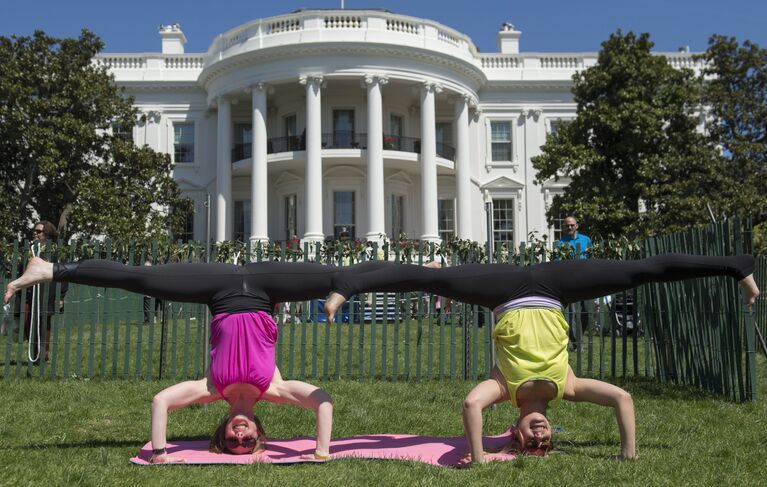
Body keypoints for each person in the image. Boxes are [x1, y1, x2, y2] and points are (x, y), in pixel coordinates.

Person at [323, 254, 760, 463]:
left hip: (502, 290)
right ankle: (736, 267)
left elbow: (471, 405)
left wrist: (478, 457)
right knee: (641, 272)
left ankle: (349, 283)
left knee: (426, 278)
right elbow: (624, 399)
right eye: (545, 441)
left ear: (513, 431)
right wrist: (629, 454)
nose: (540, 435)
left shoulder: (502, 389)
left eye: (531, 441)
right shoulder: (568, 386)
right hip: (555, 287)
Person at [4, 257, 393, 463]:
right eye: (247, 442)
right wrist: (321, 452)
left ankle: (50, 270)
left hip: (217, 288)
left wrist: (160, 454)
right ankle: (419, 275)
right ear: (260, 435)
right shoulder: (273, 387)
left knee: (140, 277)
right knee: (338, 276)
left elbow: (161, 402)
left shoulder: (210, 388)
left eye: (231, 441)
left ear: (222, 431)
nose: (239, 436)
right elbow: (323, 401)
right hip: (266, 285)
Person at [15, 221, 68, 363]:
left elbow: (63, 275)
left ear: (47, 235)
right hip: (28, 294)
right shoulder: (29, 250)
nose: (35, 233)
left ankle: (42, 354)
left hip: (47, 293)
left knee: (43, 324)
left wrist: (61, 297)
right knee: (26, 323)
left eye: (39, 231)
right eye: (35, 231)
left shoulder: (56, 252)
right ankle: (34, 350)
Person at [556, 216, 593, 350]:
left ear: (577, 225)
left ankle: (579, 336)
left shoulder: (586, 240)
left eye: (572, 225)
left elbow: (591, 258)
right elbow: (558, 263)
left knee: (587, 311)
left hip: (585, 279)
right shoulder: (561, 242)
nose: (570, 228)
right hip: (570, 281)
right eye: (567, 226)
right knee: (571, 313)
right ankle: (576, 342)